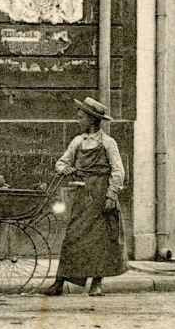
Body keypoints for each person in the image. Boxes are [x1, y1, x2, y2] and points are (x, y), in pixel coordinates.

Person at [42, 97, 127, 297]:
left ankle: (97, 284)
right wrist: (67, 169)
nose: (78, 120)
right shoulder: (77, 142)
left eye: (81, 117)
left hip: (102, 198)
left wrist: (111, 196)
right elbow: (60, 163)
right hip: (82, 199)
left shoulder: (108, 143)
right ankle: (59, 283)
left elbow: (118, 171)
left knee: (101, 241)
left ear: (91, 120)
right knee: (72, 238)